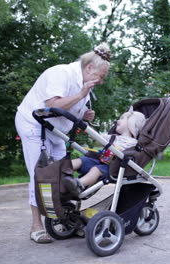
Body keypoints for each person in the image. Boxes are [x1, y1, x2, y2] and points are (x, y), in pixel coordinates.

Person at [15, 43, 111, 243]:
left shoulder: (84, 84)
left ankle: (67, 220)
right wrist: (80, 95)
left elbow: (68, 111)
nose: (101, 81)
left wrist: (84, 114)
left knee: (63, 174)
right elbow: (52, 105)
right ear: (89, 68)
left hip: (57, 131)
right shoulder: (61, 73)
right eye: (101, 76)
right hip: (34, 124)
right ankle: (36, 226)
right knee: (40, 174)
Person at [63, 107, 147, 197]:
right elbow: (97, 137)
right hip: (101, 161)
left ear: (132, 124)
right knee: (81, 160)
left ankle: (78, 184)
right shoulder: (112, 137)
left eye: (122, 119)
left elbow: (133, 157)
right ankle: (58, 169)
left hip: (114, 168)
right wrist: (86, 128)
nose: (118, 120)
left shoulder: (134, 143)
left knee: (96, 170)